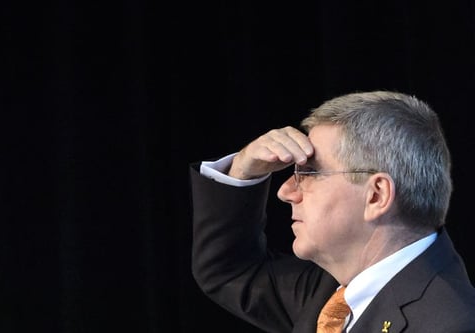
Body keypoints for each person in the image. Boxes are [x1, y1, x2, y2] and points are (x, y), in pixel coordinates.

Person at [189, 90, 475, 332]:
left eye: (310, 172)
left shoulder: (450, 323)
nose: (285, 192)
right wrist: (241, 171)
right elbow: (228, 270)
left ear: (376, 195)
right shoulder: (330, 292)